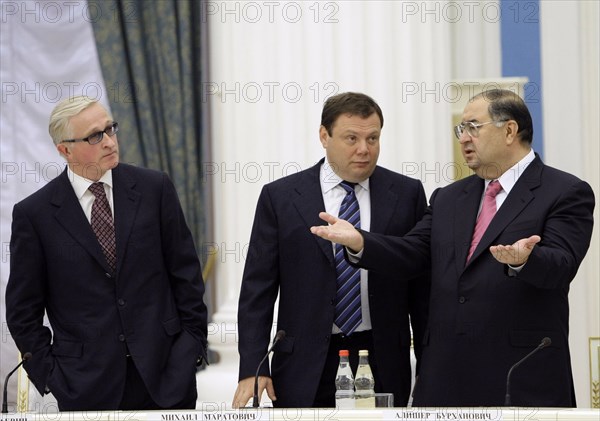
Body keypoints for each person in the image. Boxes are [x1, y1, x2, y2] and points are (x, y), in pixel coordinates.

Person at [311, 89, 595, 407]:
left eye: (473, 127)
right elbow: (414, 253)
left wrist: (525, 260)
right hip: (444, 379)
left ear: (510, 130)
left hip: (520, 375)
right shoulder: (448, 197)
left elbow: (562, 264)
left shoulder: (565, 191)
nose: (463, 139)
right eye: (460, 129)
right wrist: (362, 242)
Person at [5, 96, 208, 411]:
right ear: (64, 149)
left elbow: (187, 279)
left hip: (166, 376)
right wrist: (51, 375)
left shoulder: (155, 189)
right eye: (95, 136)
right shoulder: (35, 214)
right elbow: (22, 310)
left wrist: (190, 349)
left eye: (110, 129)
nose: (110, 142)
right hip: (84, 387)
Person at [232, 92, 430, 408]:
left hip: (381, 358)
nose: (364, 149)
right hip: (305, 362)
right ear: (324, 136)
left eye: (373, 138)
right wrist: (252, 367)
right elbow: (257, 290)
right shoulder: (281, 198)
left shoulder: (406, 194)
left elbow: (422, 289)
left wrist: (428, 366)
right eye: (351, 138)